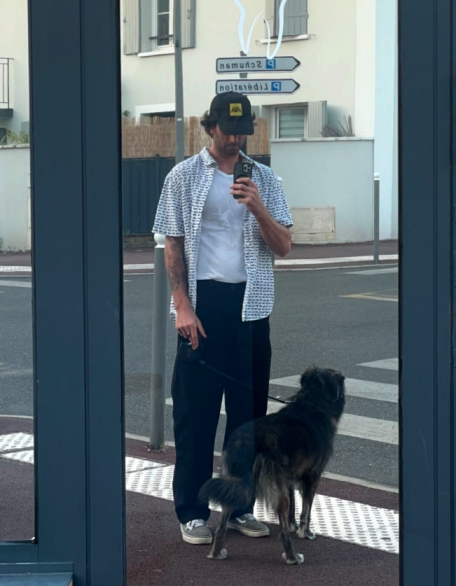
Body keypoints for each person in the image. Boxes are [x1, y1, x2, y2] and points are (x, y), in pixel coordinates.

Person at [152, 92, 293, 545]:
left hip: (251, 307)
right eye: (227, 129)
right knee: (196, 414)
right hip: (202, 304)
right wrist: (182, 306)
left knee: (248, 418)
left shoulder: (264, 180)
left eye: (242, 131)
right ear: (210, 126)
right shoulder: (183, 177)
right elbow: (172, 245)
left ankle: (238, 508)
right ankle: (192, 511)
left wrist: (256, 206)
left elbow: (284, 245)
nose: (235, 138)